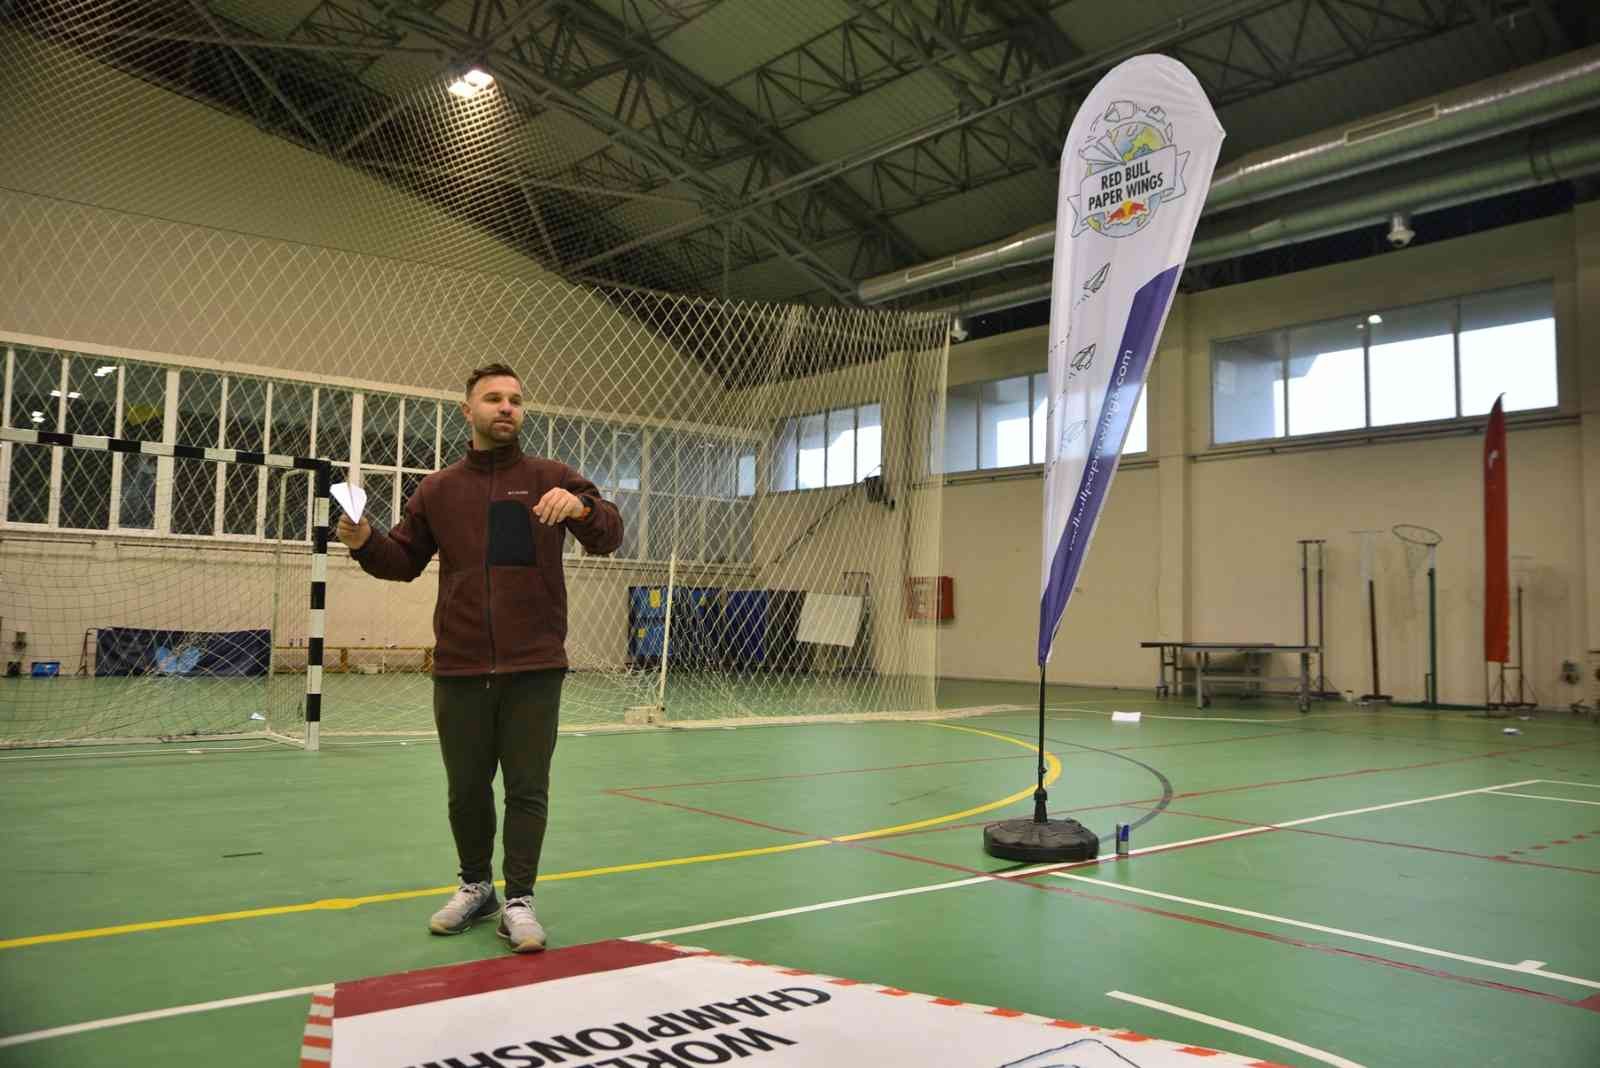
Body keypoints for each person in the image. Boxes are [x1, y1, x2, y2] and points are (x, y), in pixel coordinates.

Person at [335, 362, 622, 952]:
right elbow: (403, 560)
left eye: (515, 399)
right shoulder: (438, 490)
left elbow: (610, 534)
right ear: (467, 412)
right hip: (461, 665)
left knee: (526, 787)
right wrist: (365, 544)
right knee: (466, 788)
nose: (506, 407)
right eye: (493, 398)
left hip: (535, 665)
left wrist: (584, 509)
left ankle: (519, 899)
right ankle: (474, 886)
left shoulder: (554, 477)